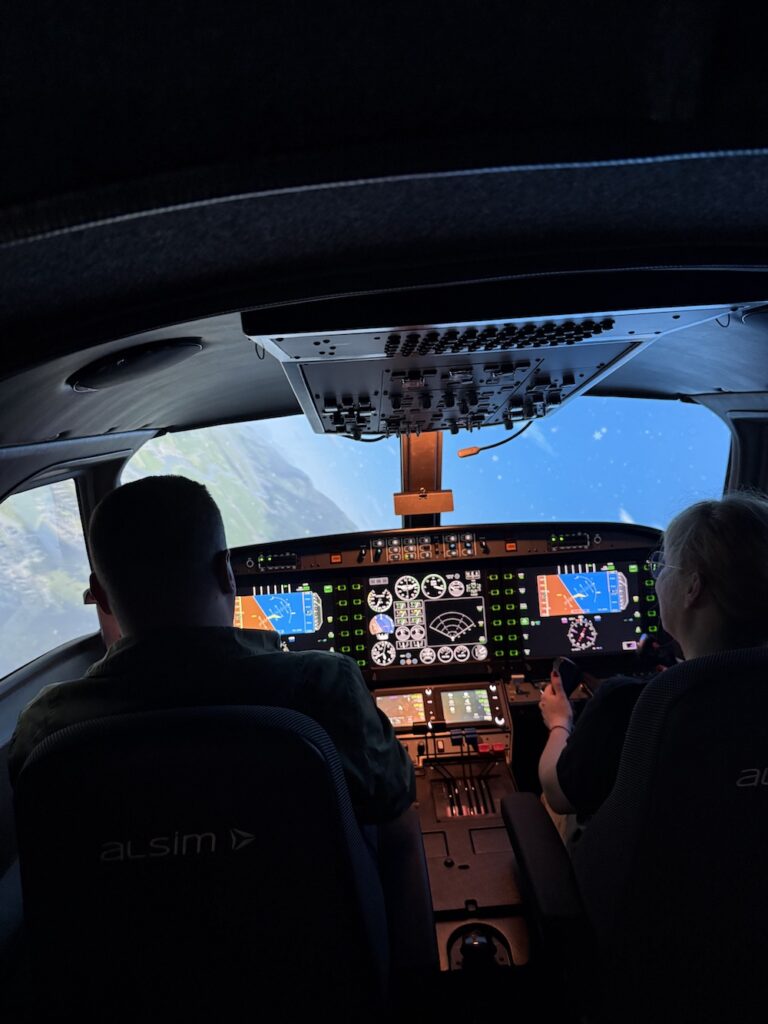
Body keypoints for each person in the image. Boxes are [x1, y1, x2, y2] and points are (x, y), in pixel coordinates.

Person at [8, 476, 415, 824]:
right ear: (227, 572)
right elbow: (396, 817)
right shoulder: (324, 687)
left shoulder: (46, 725)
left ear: (99, 595)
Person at [537, 491, 768, 828]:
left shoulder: (635, 703)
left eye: (664, 566)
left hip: (649, 862)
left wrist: (560, 721)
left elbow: (559, 794)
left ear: (692, 587)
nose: (657, 579)